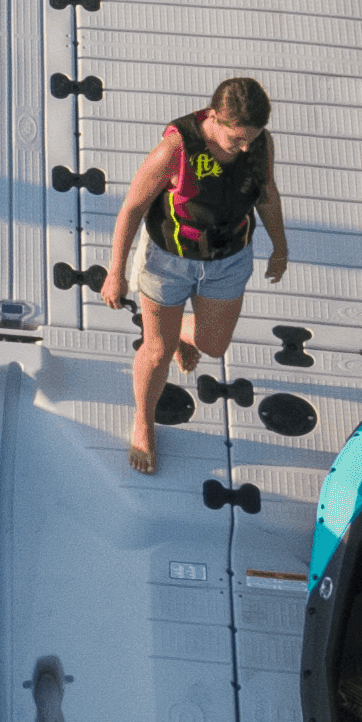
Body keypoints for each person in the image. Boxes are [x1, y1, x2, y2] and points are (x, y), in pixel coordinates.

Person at [108, 75, 288, 473]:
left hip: (229, 259)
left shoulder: (260, 144)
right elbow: (132, 209)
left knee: (214, 345)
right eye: (237, 139)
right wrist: (115, 271)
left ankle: (181, 332)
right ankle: (144, 419)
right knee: (156, 352)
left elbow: (267, 193)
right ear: (215, 119)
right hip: (168, 261)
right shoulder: (175, 149)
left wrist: (280, 245)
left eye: (252, 138)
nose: (246, 147)